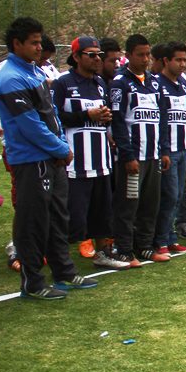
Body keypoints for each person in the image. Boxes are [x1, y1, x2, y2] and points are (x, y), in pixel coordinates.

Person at [0, 17, 97, 299]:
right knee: (33, 221)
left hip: (51, 158)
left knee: (57, 217)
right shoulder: (10, 77)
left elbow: (51, 116)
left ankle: (63, 271)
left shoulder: (34, 72)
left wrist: (60, 145)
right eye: (34, 42)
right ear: (17, 44)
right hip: (31, 160)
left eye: (40, 41)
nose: (40, 47)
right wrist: (61, 149)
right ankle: (33, 282)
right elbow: (30, 125)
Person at [52, 37, 130, 270]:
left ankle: (103, 253)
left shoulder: (99, 83)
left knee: (102, 213)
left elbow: (103, 116)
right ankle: (58, 257)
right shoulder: (63, 84)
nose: (98, 59)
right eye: (92, 54)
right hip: (75, 162)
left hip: (101, 160)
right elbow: (55, 118)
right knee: (72, 215)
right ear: (76, 57)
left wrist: (105, 123)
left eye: (99, 54)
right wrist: (87, 115)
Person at [110, 34, 168, 265]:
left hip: (153, 155)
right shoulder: (120, 83)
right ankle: (124, 249)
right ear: (128, 56)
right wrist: (127, 154)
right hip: (133, 157)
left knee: (150, 204)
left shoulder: (154, 82)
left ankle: (144, 246)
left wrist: (163, 150)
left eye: (148, 55)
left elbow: (161, 119)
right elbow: (117, 122)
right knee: (128, 204)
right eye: (140, 55)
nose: (145, 59)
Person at [153, 42, 186, 256]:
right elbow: (159, 122)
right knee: (168, 196)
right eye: (178, 60)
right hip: (167, 151)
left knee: (177, 196)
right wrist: (164, 150)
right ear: (166, 61)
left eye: (185, 60)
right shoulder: (157, 85)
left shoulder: (183, 86)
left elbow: (185, 119)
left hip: (182, 148)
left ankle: (170, 238)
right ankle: (160, 240)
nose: (182, 64)